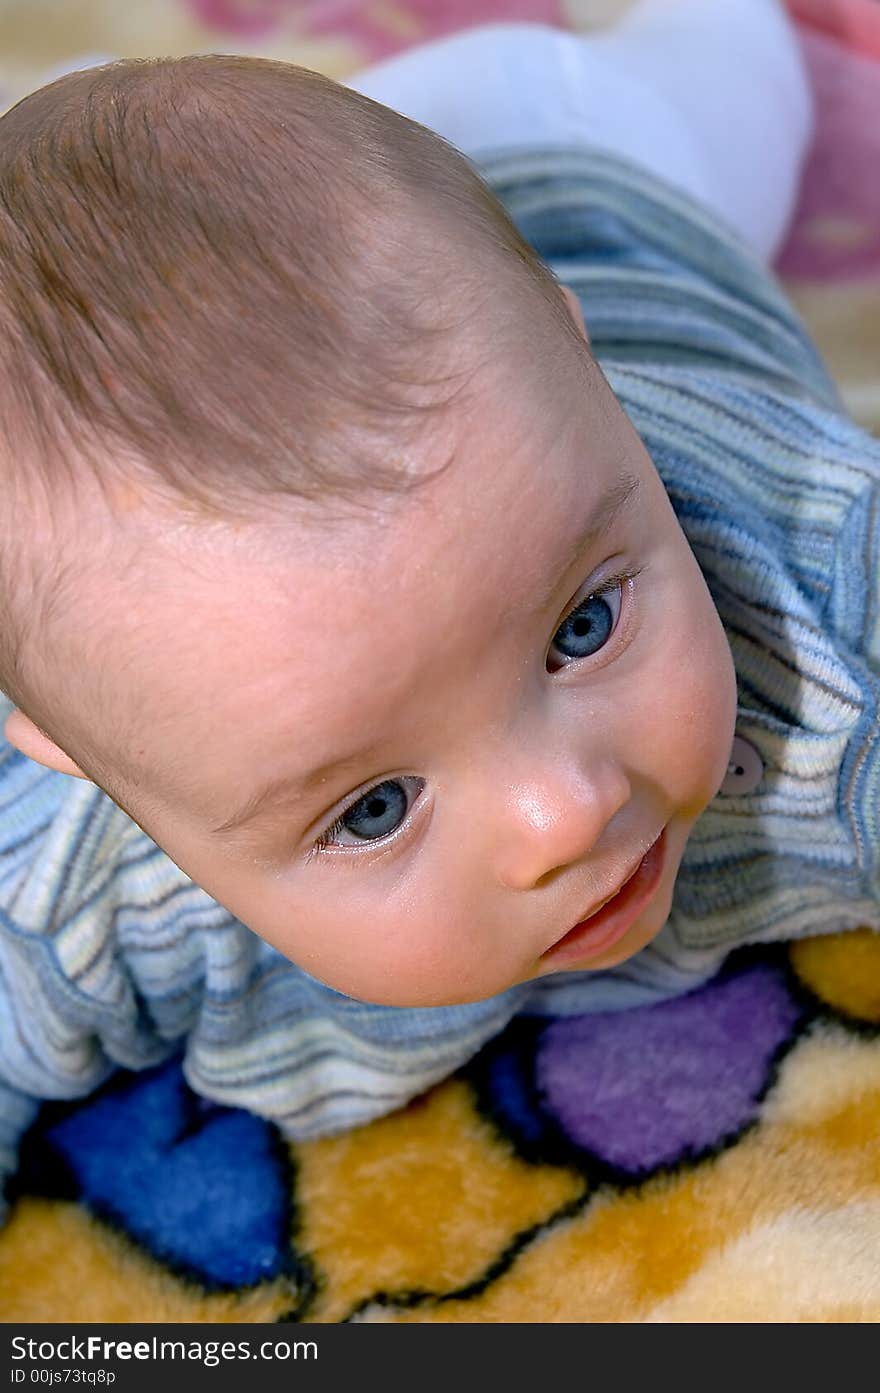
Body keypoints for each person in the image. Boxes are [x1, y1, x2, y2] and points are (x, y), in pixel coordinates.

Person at [0, 0, 877, 1218]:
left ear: (587, 380)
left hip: (599, 172)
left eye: (582, 627)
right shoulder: (71, 889)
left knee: (741, 69)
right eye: (373, 809)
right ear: (76, 755)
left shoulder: (829, 613)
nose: (566, 815)